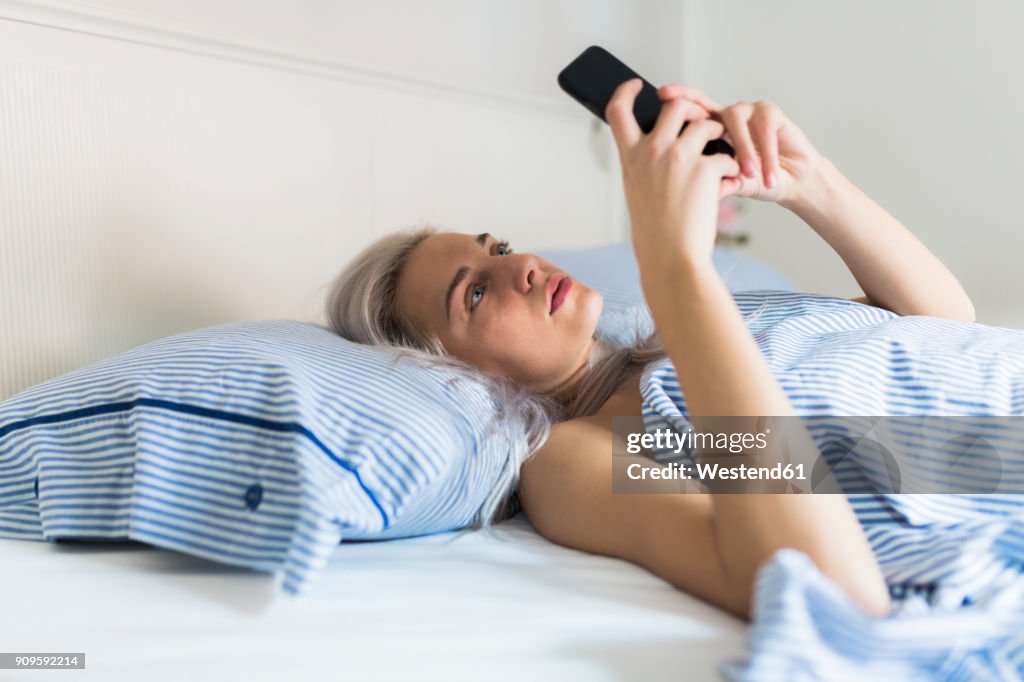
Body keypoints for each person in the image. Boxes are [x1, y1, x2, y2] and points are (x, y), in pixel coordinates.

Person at [324, 78, 978, 622]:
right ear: (451, 372)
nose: (521, 264)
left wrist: (809, 183)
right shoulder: (581, 455)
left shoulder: (710, 324)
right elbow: (826, 586)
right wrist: (675, 270)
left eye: (498, 248)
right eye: (473, 295)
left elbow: (944, 325)